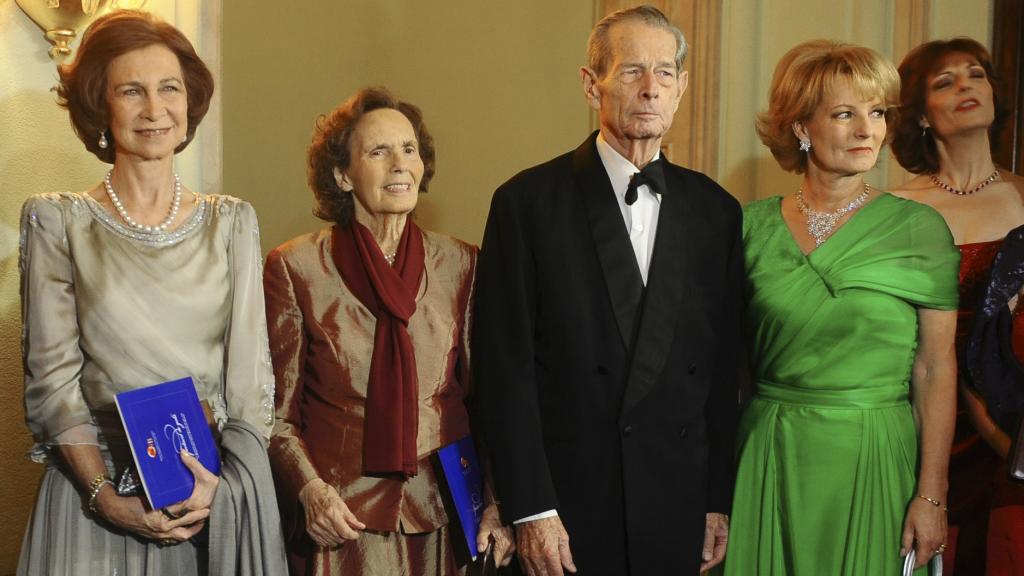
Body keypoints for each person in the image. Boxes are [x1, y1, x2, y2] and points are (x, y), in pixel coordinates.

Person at [473, 6, 742, 575]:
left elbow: (722, 375)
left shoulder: (716, 210)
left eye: (665, 73)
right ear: (590, 84)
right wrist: (532, 509)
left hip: (679, 503)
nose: (650, 90)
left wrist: (718, 499)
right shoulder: (525, 204)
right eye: (630, 72)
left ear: (682, 88)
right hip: (569, 511)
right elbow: (505, 372)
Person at [16, 10, 286, 576]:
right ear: (100, 106)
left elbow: (250, 383)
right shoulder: (57, 221)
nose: (155, 109)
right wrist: (106, 497)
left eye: (169, 88)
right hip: (94, 504)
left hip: (209, 498)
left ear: (189, 102)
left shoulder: (232, 221)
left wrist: (223, 489)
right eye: (131, 91)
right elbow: (53, 384)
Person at [722, 40, 959, 575]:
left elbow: (936, 368)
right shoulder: (745, 228)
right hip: (770, 453)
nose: (866, 130)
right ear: (802, 128)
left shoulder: (920, 230)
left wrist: (933, 495)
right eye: (844, 113)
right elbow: (717, 367)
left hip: (875, 455)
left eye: (876, 113)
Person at [264, 86, 512, 575]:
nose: (400, 164)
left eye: (409, 149)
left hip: (444, 512)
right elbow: (274, 414)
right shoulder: (295, 267)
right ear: (342, 175)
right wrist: (310, 490)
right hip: (340, 519)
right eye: (379, 151)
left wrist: (497, 500)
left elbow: (487, 401)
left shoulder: (462, 263)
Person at [891, 37, 1024, 575]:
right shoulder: (893, 209)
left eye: (976, 75)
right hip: (919, 424)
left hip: (1006, 436)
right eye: (945, 81)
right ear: (920, 115)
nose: (967, 85)